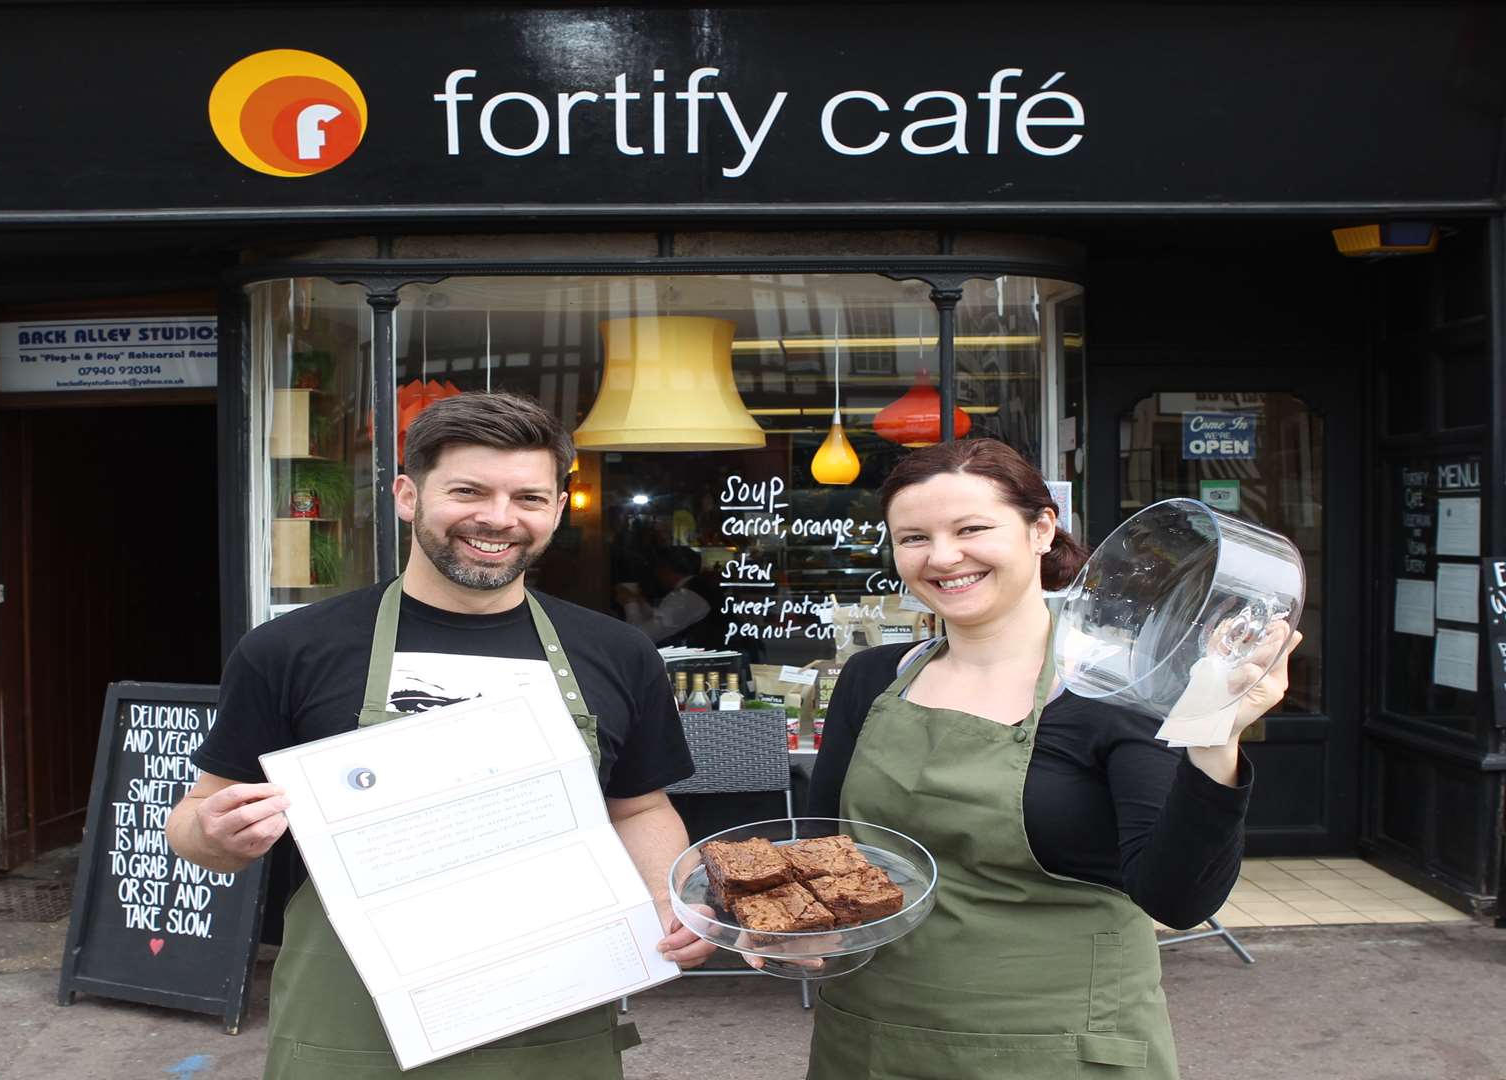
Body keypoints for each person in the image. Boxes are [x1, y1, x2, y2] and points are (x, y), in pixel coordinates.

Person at [168, 391, 715, 1079]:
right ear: (407, 495)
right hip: (355, 1030)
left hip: (553, 1018)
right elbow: (193, 821)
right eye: (468, 491)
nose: (498, 518)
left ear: (555, 508)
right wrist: (213, 837)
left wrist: (672, 898)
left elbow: (637, 806)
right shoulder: (289, 650)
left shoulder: (615, 652)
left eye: (529, 498)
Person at [804, 438, 1298, 1080]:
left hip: (1059, 1048)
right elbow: (820, 845)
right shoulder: (874, 677)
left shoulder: (1116, 694)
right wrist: (789, 926)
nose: (943, 557)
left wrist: (1212, 742)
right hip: (869, 1040)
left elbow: (1177, 898)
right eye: (913, 538)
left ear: (1042, 528)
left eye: (971, 528)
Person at [616, 545, 727, 648]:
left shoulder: (685, 597)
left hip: (693, 664)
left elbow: (641, 637)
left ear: (666, 569)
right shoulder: (693, 591)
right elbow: (661, 619)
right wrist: (640, 602)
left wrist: (630, 602)